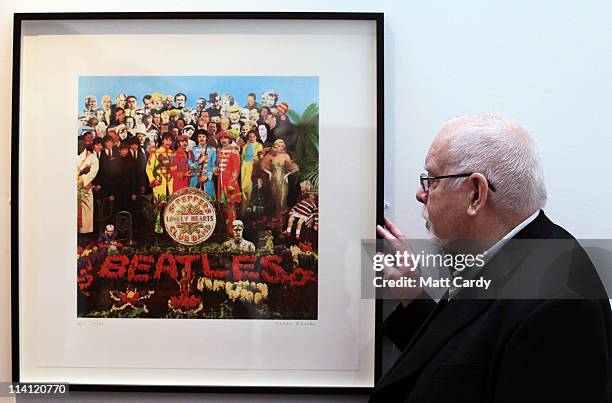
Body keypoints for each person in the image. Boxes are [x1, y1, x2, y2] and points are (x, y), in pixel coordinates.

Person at [371, 114, 612, 403]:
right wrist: (413, 299)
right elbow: (466, 364)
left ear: (476, 194)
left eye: (431, 179)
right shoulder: (512, 255)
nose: (420, 194)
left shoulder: (559, 306)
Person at [260, 139, 298, 215]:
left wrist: (287, 175)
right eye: (278, 146)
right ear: (275, 146)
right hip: (274, 179)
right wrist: (270, 173)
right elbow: (263, 165)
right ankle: (277, 217)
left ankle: (282, 216)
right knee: (276, 198)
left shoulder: (286, 156)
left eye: (282, 146)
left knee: (282, 198)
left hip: (283, 179)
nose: (280, 148)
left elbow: (294, 168)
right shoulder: (270, 156)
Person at [214, 130, 241, 234]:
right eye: (221, 138)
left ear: (229, 139)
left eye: (225, 138)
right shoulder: (220, 150)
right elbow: (218, 166)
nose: (223, 140)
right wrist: (216, 170)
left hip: (229, 181)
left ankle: (233, 229)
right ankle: (227, 228)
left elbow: (236, 169)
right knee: (223, 205)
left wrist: (233, 184)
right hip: (221, 181)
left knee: (230, 205)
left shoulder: (234, 150)